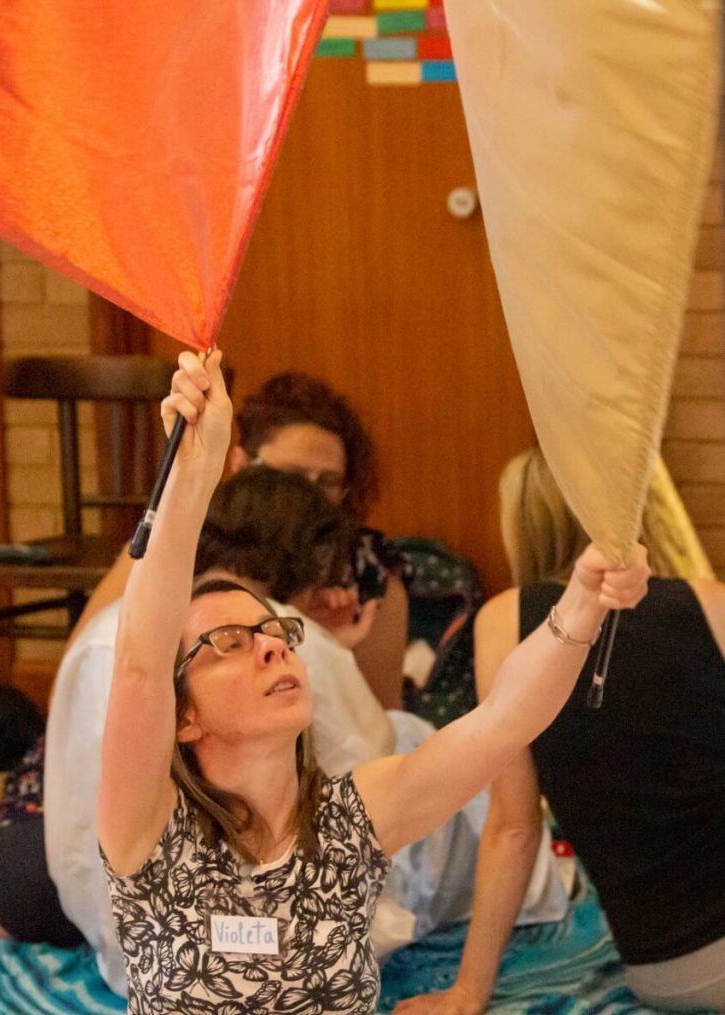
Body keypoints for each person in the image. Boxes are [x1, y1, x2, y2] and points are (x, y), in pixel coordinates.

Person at [97, 352, 648, 1013]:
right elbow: (138, 664)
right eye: (232, 643)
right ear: (183, 716)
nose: (273, 646)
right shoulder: (151, 832)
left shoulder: (351, 820)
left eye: (277, 633)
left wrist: (582, 603)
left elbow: (504, 720)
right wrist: (197, 471)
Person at [0, 462, 376, 954]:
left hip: (90, 890)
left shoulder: (110, 627)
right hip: (191, 903)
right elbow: (367, 768)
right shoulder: (290, 640)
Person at [395, 447, 725, 1014]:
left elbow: (514, 829)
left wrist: (469, 991)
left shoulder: (502, 621)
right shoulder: (710, 600)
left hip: (670, 971)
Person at [70, 370, 412, 710]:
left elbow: (379, 727)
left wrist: (327, 647)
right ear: (240, 463)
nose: (306, 496)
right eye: (289, 476)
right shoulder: (177, 535)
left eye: (326, 483)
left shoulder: (370, 573)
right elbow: (84, 661)